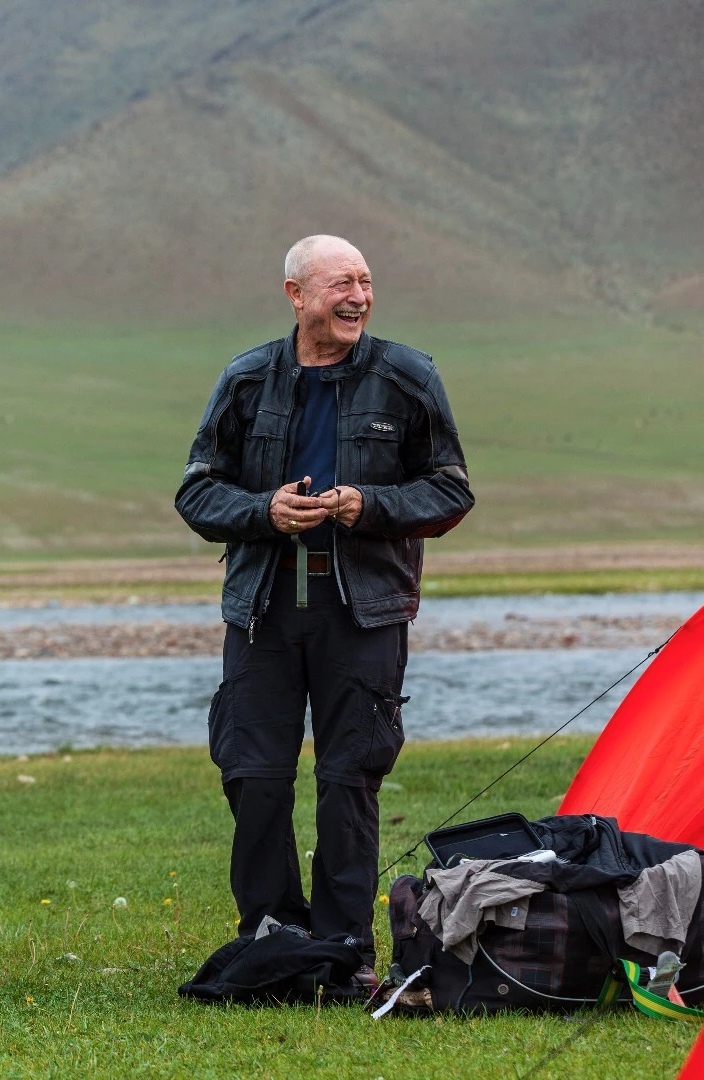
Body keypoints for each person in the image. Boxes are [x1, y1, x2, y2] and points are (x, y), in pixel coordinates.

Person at [174, 235, 474, 988]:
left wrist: (364, 505)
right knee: (254, 775)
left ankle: (345, 952)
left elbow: (448, 491)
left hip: (363, 615)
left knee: (348, 780)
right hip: (263, 615)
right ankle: (271, 938)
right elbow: (196, 491)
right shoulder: (246, 379)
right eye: (341, 282)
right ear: (295, 294)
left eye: (366, 283)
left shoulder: (408, 376)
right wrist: (261, 511)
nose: (358, 297)